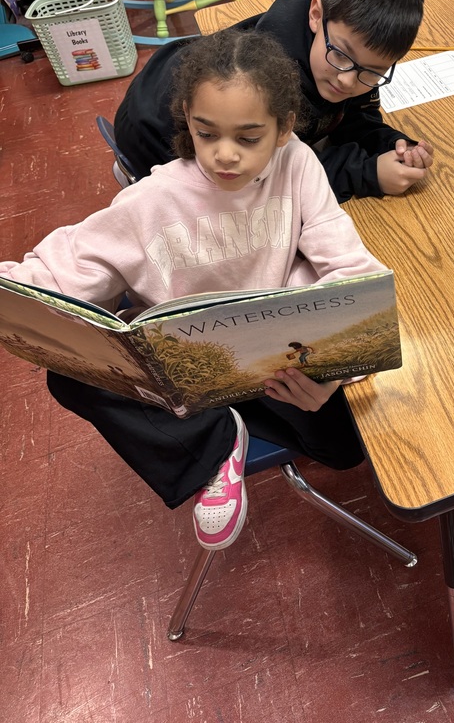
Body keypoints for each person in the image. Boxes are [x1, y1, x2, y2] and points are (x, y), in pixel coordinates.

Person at [0, 31, 390, 552]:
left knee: (347, 452)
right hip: (190, 388)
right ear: (188, 117)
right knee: (70, 375)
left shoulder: (296, 163)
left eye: (248, 138)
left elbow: (351, 270)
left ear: (283, 129)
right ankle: (216, 445)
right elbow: (63, 268)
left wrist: (332, 374)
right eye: (207, 134)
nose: (224, 156)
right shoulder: (152, 199)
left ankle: (228, 427)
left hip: (279, 374)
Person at [114, 0, 434, 203]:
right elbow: (263, 181)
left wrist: (391, 145)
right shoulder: (269, 81)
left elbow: (350, 115)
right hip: (153, 133)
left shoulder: (349, 47)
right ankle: (137, 173)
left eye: (372, 73)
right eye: (340, 56)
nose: (348, 81)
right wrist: (367, 174)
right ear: (315, 14)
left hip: (187, 77)